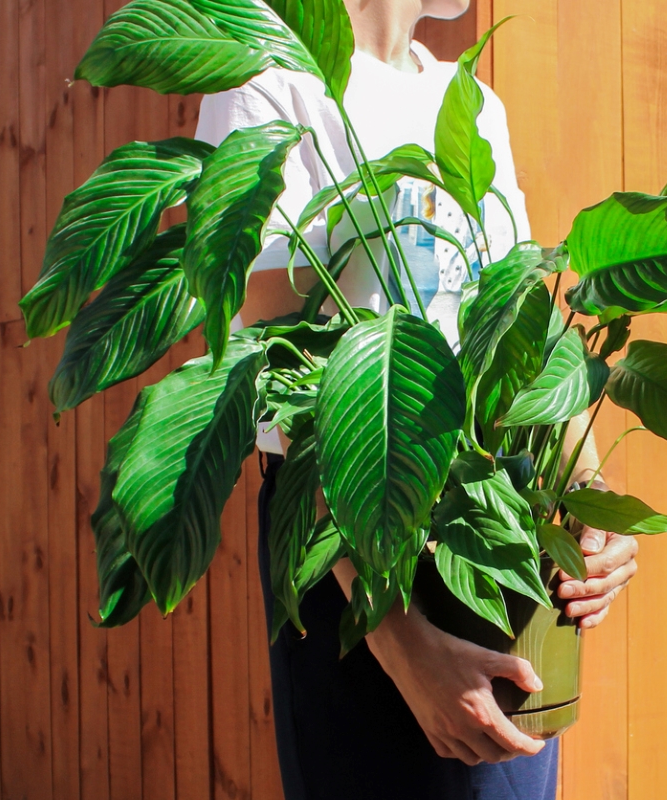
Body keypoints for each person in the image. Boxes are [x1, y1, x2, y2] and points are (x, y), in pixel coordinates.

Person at [194, 1, 639, 797]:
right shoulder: (271, 77)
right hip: (353, 558)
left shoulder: (469, 105)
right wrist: (404, 645)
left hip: (499, 529)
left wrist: (592, 505)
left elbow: (527, 336)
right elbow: (283, 371)